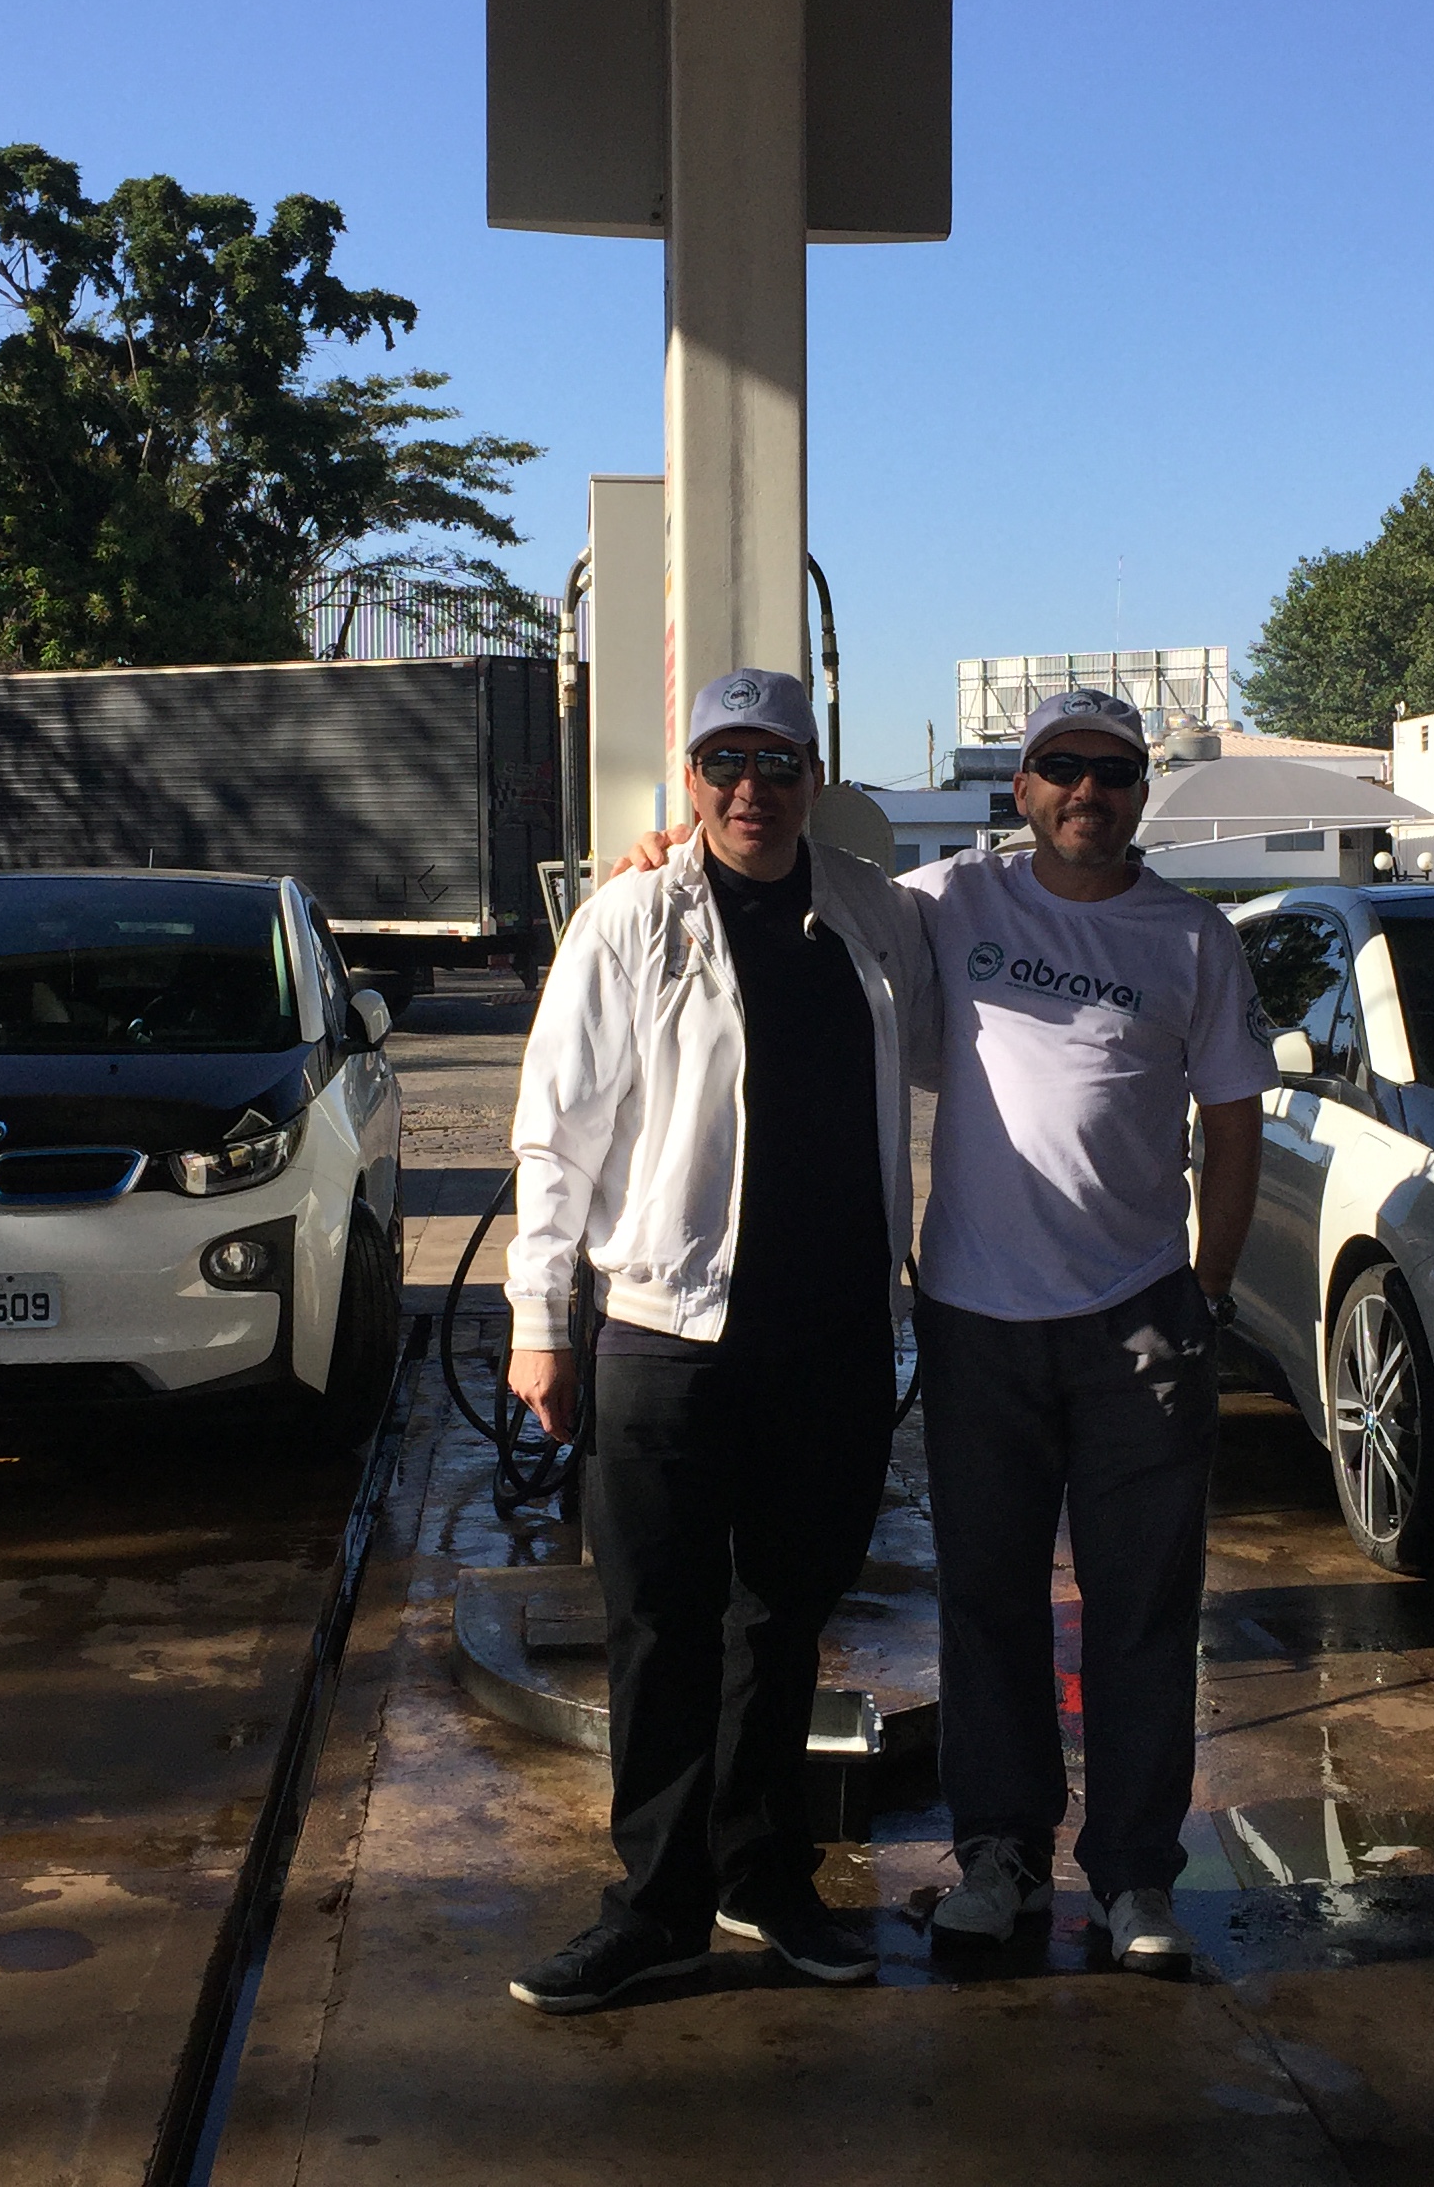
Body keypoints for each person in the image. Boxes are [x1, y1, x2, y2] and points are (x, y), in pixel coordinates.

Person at [612, 684, 1272, 1978]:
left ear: (1141, 793)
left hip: (1139, 1321)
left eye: (1114, 772)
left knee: (1143, 1611)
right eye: (1061, 767)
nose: (1087, 791)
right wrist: (664, 850)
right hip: (976, 1319)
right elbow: (783, 880)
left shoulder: (1194, 939)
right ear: (1020, 789)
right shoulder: (946, 900)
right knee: (986, 1606)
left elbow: (1236, 1117)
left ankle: (1136, 1874)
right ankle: (1000, 1859)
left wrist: (1206, 1289)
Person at [501, 667, 939, 2016]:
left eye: (779, 762)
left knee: (786, 1621)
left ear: (817, 777)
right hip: (666, 1335)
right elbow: (555, 1132)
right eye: (726, 763)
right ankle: (654, 1906)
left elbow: (1000, 942)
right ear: (690, 780)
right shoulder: (630, 916)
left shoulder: (874, 911)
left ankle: (764, 1875)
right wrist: (537, 1321)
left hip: (835, 1336)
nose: (754, 788)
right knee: (659, 1627)